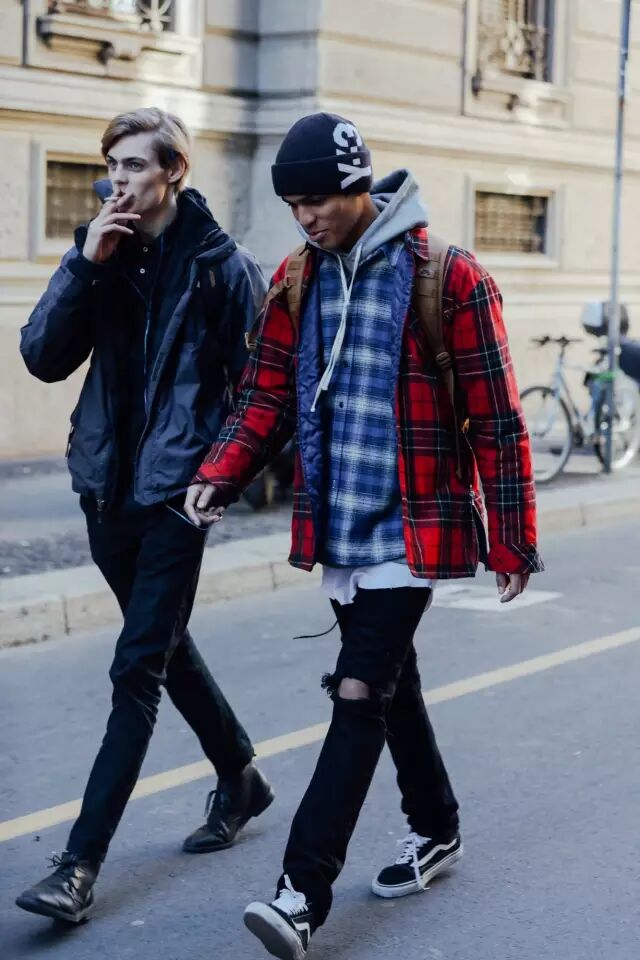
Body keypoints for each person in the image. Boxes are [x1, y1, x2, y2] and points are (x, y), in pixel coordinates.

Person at [185, 112, 544, 959]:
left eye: (317, 200)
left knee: (356, 693)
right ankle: (438, 826)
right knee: (390, 685)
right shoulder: (296, 278)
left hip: (414, 531)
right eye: (293, 205)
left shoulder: (448, 278)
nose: (305, 217)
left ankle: (299, 894)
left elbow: (497, 420)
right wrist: (221, 471)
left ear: (358, 187)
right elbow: (267, 393)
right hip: (339, 526)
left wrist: (512, 536)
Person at [17, 107, 272, 925]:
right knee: (161, 646)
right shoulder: (102, 251)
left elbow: (260, 393)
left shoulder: (223, 268)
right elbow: (41, 357)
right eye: (112, 165)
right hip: (106, 490)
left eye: (134, 165)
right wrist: (83, 266)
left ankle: (78, 866)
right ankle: (240, 775)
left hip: (176, 498)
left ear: (174, 172)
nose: (118, 180)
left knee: (136, 671)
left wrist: (221, 479)